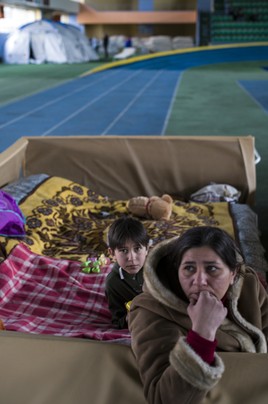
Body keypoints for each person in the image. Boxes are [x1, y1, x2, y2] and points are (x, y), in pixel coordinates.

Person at [129, 226, 268, 404]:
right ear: (177, 270)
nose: (199, 281)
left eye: (212, 269)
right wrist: (203, 332)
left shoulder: (249, 287)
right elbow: (163, 398)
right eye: (189, 268)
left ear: (233, 273)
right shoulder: (150, 310)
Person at [105, 216, 149, 329]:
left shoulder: (156, 269)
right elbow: (117, 320)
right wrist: (131, 316)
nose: (131, 258)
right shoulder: (113, 283)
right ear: (112, 253)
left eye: (137, 249)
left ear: (147, 249)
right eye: (123, 251)